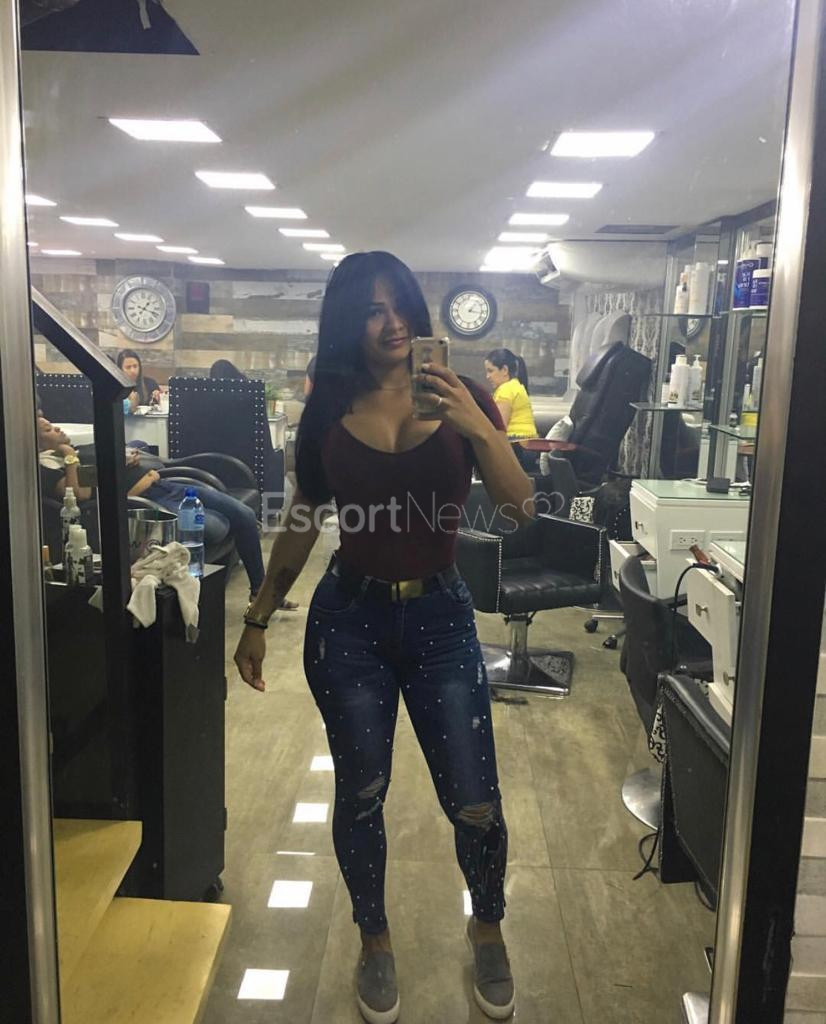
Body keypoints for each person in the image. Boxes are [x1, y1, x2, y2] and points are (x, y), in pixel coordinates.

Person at [233, 251, 533, 1023]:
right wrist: (258, 616)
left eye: (399, 303)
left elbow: (519, 504)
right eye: (372, 309)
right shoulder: (328, 409)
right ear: (347, 321)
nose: (392, 322)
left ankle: (488, 925)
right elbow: (304, 518)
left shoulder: (463, 395)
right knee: (362, 794)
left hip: (441, 621)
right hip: (350, 623)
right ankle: (374, 939)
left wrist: (476, 425)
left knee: (474, 797)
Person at [483, 348, 539, 472]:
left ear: (504, 370)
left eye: (490, 371)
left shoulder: (505, 390)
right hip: (526, 448)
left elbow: (499, 427)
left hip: (516, 447)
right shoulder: (516, 385)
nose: (487, 376)